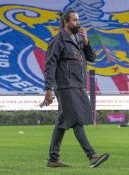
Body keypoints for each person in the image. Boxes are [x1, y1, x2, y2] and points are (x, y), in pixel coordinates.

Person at [43, 9, 109, 168]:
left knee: (62, 122)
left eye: (78, 20)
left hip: (77, 85)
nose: (77, 23)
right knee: (76, 120)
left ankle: (53, 159)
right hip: (65, 86)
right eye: (74, 20)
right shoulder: (57, 40)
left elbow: (92, 58)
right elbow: (50, 65)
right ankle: (92, 155)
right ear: (65, 22)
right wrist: (48, 89)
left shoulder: (78, 40)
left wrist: (86, 41)